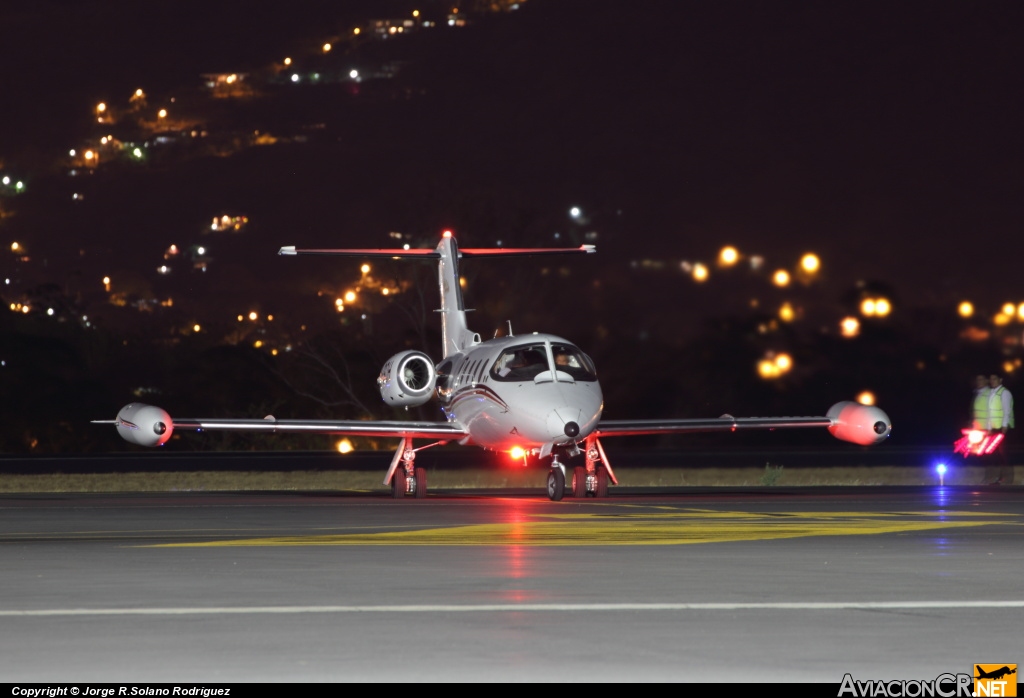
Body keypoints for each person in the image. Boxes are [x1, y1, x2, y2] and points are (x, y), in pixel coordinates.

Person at [982, 372, 1014, 485]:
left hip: (1002, 428)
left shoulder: (1004, 393)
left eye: (994, 379)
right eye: (991, 379)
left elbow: (1007, 410)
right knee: (995, 454)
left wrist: (1005, 426)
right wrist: (989, 427)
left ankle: (1006, 478)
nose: (992, 381)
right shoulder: (992, 392)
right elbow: (990, 412)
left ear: (1000, 379)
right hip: (995, 428)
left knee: (1003, 454)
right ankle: (997, 478)